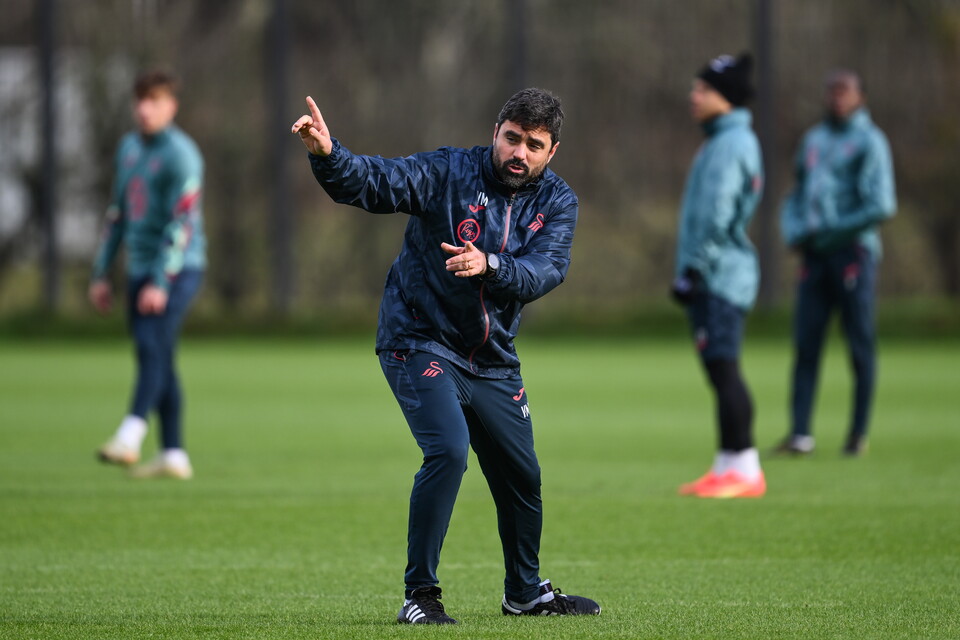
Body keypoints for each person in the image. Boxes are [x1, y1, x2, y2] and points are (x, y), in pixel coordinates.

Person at [292, 88, 599, 624]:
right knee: (449, 451)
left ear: (552, 152)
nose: (518, 152)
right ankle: (420, 597)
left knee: (522, 476)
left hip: (493, 360)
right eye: (512, 138)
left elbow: (546, 270)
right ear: (496, 131)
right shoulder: (449, 171)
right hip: (419, 339)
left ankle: (524, 593)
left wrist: (491, 266)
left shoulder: (558, 202)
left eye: (534, 144)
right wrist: (329, 154)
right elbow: (377, 182)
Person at [90, 69, 206, 479]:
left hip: (179, 269)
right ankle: (174, 455)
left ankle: (130, 434)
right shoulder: (128, 149)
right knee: (158, 355)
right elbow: (118, 213)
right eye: (139, 100)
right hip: (139, 268)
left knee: (151, 343)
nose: (144, 109)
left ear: (171, 106)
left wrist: (161, 281)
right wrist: (101, 271)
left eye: (153, 100)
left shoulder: (182, 154)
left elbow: (182, 223)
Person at [776, 70, 896, 457]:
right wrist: (793, 228)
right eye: (832, 92)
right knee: (806, 343)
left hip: (851, 253)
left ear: (860, 97)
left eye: (844, 92)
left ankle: (858, 433)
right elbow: (796, 192)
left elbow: (880, 204)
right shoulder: (814, 139)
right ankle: (800, 434)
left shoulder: (870, 141)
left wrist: (830, 232)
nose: (837, 99)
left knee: (859, 344)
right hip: (815, 253)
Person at [671, 53, 766, 499]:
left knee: (725, 367)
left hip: (720, 274)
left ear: (725, 98)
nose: (694, 96)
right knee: (718, 368)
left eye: (703, 89)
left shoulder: (730, 144)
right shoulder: (723, 139)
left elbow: (716, 213)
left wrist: (694, 268)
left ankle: (746, 467)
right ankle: (728, 464)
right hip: (718, 272)